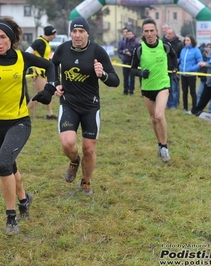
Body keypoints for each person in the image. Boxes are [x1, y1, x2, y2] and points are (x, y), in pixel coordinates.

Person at [0, 17, 56, 236]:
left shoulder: (22, 58)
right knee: (9, 166)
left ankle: (11, 217)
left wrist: (49, 89)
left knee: (3, 165)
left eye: (2, 37)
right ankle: (24, 200)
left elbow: (50, 65)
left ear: (12, 39)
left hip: (19, 121)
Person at [43, 17, 119, 195]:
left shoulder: (97, 51)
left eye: (81, 31)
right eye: (74, 32)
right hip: (69, 103)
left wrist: (102, 75)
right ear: (71, 33)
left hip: (90, 107)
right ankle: (74, 161)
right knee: (68, 144)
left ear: (87, 33)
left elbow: (115, 81)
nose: (77, 35)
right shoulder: (63, 49)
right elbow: (51, 66)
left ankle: (86, 182)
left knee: (89, 148)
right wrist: (56, 84)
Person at [130, 18, 178, 163]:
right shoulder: (139, 49)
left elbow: (174, 57)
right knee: (153, 119)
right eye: (146, 31)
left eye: (152, 31)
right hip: (147, 88)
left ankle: (165, 147)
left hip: (163, 85)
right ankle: (159, 144)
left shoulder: (165, 46)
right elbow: (132, 70)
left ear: (157, 32)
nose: (149, 34)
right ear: (142, 33)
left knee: (159, 115)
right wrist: (141, 74)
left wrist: (174, 69)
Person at [26, 25, 58, 120]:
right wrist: (34, 64)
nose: (55, 36)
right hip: (39, 72)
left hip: (45, 70)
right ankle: (22, 113)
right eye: (54, 34)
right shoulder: (39, 42)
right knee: (41, 94)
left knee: (48, 91)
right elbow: (27, 53)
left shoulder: (45, 42)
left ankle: (49, 114)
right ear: (49, 34)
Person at [178, 35, 202, 113]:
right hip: (183, 74)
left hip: (191, 75)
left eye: (188, 40)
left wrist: (192, 69)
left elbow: (200, 63)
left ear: (192, 41)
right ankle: (185, 108)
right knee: (184, 92)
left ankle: (194, 108)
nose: (186, 42)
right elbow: (181, 60)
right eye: (185, 40)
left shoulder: (196, 50)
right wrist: (177, 62)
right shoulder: (183, 50)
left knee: (192, 92)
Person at [164, 28, 183, 109]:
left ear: (174, 35)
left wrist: (178, 60)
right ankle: (168, 103)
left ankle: (174, 104)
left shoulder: (179, 44)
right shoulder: (163, 43)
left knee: (174, 87)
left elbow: (181, 56)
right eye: (167, 33)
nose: (168, 35)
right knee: (167, 87)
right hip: (165, 68)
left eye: (170, 33)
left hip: (175, 69)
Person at [118, 29, 139, 95]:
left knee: (132, 78)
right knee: (125, 78)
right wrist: (123, 52)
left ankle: (131, 91)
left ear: (133, 35)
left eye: (130, 34)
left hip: (132, 63)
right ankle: (125, 90)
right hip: (125, 62)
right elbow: (119, 50)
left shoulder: (136, 43)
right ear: (126, 35)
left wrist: (131, 53)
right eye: (128, 34)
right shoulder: (123, 42)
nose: (129, 35)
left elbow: (138, 53)